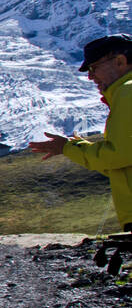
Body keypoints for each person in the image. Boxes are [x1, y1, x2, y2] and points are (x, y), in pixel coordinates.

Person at [30, 34, 132, 233]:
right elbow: (122, 166)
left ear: (120, 61)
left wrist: (68, 147)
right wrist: (73, 148)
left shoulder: (127, 93)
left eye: (93, 68)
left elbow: (118, 155)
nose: (90, 77)